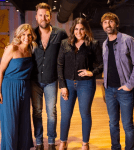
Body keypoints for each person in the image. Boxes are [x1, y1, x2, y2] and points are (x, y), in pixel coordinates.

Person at [57, 17, 103, 150]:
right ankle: (63, 142)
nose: (79, 31)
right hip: (68, 84)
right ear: (73, 30)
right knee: (65, 115)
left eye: (82, 29)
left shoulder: (93, 44)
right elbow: (59, 65)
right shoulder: (65, 43)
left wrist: (92, 73)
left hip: (86, 85)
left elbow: (101, 64)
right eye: (76, 29)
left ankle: (85, 144)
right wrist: (62, 86)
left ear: (86, 30)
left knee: (85, 114)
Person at [101, 12, 134, 150]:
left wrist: (129, 85)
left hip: (124, 90)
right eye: (105, 22)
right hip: (109, 91)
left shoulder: (128, 40)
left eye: (111, 21)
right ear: (102, 26)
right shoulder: (104, 44)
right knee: (113, 123)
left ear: (116, 24)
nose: (108, 24)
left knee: (127, 125)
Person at [31, 2, 68, 150]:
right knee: (37, 112)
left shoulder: (60, 33)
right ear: (36, 17)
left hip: (52, 80)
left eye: (46, 15)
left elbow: (67, 55)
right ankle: (39, 142)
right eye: (40, 15)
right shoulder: (31, 34)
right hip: (34, 80)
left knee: (51, 112)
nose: (43, 18)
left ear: (50, 16)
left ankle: (51, 142)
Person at [0, 23, 37, 150]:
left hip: (25, 87)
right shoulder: (12, 48)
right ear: (19, 35)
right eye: (23, 34)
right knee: (10, 122)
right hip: (10, 86)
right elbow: (0, 70)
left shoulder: (31, 49)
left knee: (23, 120)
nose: (26, 37)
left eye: (29, 35)